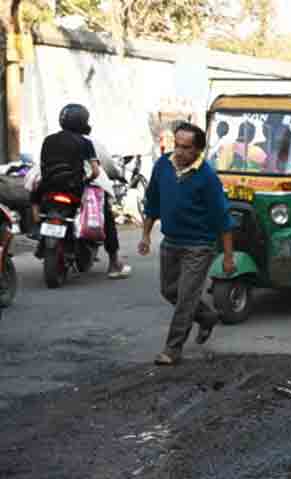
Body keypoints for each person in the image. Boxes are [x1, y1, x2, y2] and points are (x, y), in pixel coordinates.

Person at [138, 122, 235, 366]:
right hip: (172, 241)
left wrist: (228, 256)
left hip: (199, 245)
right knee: (169, 290)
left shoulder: (207, 177)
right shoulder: (163, 165)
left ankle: (173, 349)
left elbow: (223, 218)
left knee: (185, 297)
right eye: (176, 145)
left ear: (198, 151)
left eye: (186, 148)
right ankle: (207, 316)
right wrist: (145, 235)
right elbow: (153, 202)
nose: (179, 152)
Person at [32, 103, 130, 278]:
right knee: (104, 214)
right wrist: (89, 180)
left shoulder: (48, 140)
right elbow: (97, 170)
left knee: (35, 200)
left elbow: (43, 166)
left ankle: (38, 230)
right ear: (83, 121)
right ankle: (114, 262)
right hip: (74, 188)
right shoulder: (87, 142)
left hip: (47, 189)